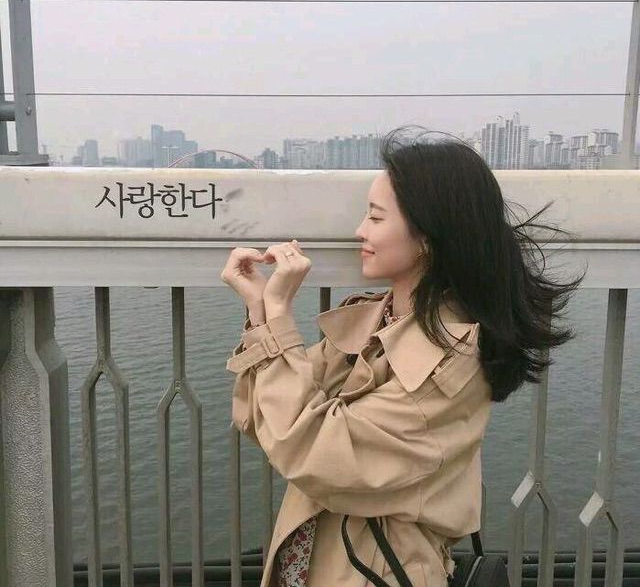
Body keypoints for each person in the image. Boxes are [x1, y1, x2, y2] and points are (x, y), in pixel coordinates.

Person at [220, 127, 586, 587]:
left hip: (375, 570)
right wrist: (259, 312)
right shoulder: (378, 321)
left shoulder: (446, 364)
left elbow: (308, 451)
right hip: (325, 562)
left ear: (428, 237)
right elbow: (264, 421)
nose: (359, 230)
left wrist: (277, 315)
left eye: (375, 217)